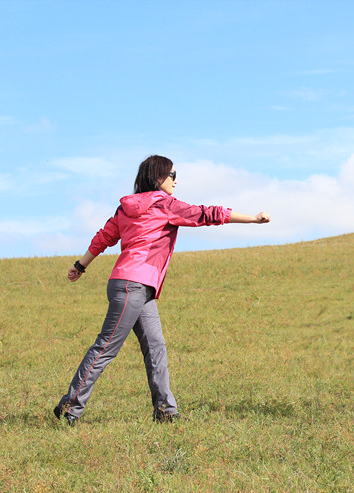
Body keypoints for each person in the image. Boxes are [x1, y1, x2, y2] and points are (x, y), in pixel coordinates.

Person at [54, 155, 271, 425]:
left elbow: (104, 237)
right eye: (172, 174)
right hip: (133, 286)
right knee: (106, 347)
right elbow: (206, 214)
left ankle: (166, 411)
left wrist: (80, 265)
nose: (176, 181)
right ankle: (69, 406)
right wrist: (252, 218)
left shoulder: (125, 209)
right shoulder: (164, 205)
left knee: (156, 348)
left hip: (135, 286)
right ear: (158, 177)